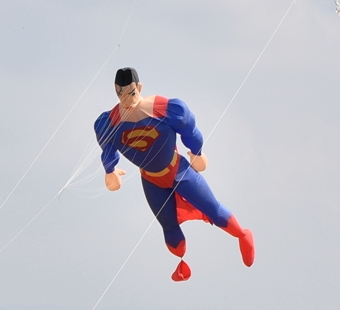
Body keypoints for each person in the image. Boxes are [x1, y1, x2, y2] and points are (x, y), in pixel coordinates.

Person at [95, 67, 255, 283]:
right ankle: (181, 261)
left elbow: (190, 130)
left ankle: (242, 234)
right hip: (151, 180)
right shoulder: (110, 123)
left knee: (213, 209)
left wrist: (197, 152)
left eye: (131, 93)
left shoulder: (164, 108)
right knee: (169, 228)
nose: (126, 100)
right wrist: (110, 171)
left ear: (139, 88)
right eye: (120, 94)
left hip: (178, 170)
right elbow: (108, 150)